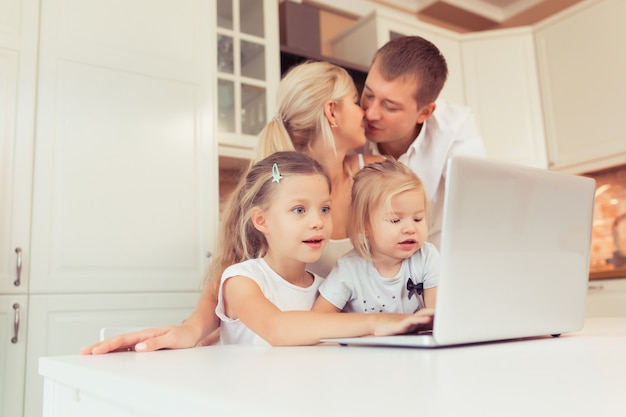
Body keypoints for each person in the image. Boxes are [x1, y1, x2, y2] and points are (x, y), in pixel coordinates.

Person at [80, 61, 382, 354]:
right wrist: (191, 329)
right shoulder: (269, 187)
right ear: (332, 111)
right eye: (356, 101)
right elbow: (232, 274)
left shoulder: (376, 178)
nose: (365, 112)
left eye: (324, 209)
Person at [213, 151, 432, 345]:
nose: (318, 221)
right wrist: (378, 321)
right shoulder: (241, 280)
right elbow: (277, 329)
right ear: (261, 220)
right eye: (299, 210)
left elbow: (332, 346)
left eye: (325, 209)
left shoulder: (324, 290)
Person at [359, 35, 486, 248]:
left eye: (390, 106)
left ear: (425, 112)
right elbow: (281, 173)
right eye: (369, 95)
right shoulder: (345, 126)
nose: (370, 114)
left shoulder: (454, 127)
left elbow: (478, 200)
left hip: (435, 257)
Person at [312, 158, 438, 314]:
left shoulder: (427, 257)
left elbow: (437, 317)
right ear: (365, 226)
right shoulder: (349, 269)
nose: (411, 228)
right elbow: (318, 318)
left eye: (418, 218)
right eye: (395, 220)